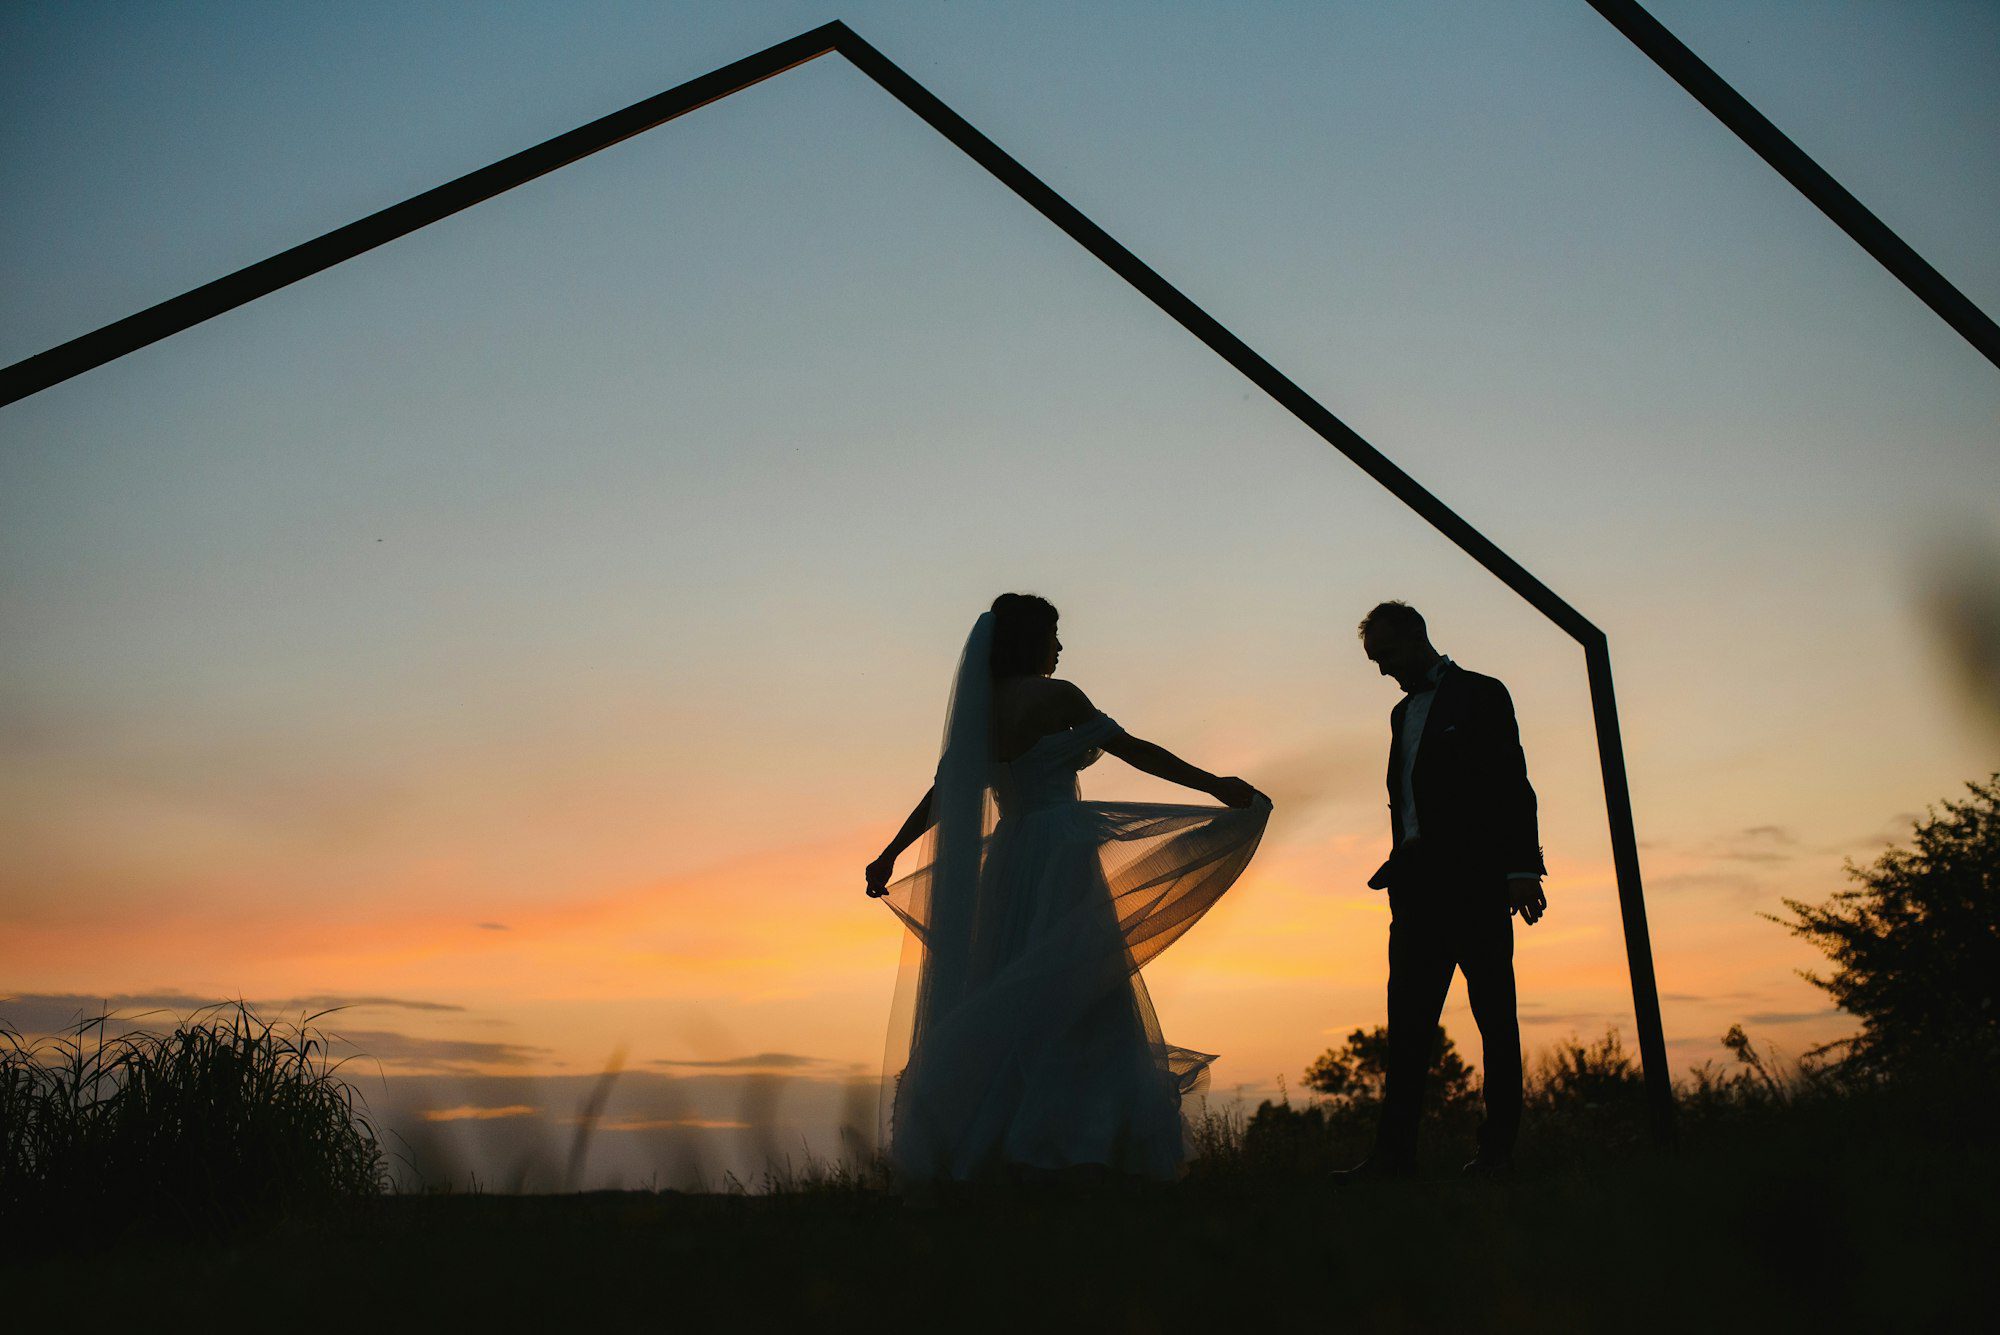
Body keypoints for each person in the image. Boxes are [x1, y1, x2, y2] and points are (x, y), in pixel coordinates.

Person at [865, 593, 1269, 1182]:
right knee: (1083, 994)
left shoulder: (981, 712)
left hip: (1008, 861)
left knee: (1012, 988)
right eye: (1053, 634)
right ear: (1031, 641)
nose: (1060, 647)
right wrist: (1211, 784)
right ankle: (1080, 1146)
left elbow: (944, 797)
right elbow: (1134, 750)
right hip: (1059, 854)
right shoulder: (1059, 697)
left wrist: (889, 854)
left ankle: (1008, 1144)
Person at [1341, 600, 1545, 1178]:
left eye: (1388, 654)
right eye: (1375, 660)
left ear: (1419, 636)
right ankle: (1391, 1158)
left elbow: (1513, 781)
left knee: (1495, 1022)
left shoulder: (1482, 693)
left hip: (1477, 885)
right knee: (1405, 1028)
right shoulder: (1401, 714)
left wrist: (1521, 869)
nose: (1383, 669)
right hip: (1414, 892)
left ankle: (1497, 1153)